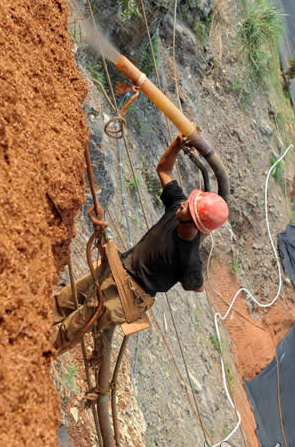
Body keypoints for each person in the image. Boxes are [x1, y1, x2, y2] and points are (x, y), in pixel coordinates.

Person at [53, 135, 229, 352]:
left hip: (128, 295)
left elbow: (198, 286)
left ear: (195, 223)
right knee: (64, 301)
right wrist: (176, 144)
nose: (183, 204)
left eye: (188, 208)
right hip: (116, 268)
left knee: (71, 329)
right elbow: (164, 170)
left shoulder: (189, 258)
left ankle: (37, 357)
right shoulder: (176, 207)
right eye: (187, 202)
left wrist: (182, 273)